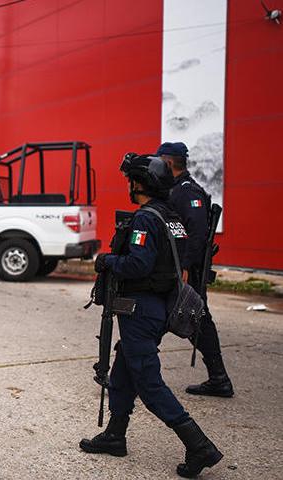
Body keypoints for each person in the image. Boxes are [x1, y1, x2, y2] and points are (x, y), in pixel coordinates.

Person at [79, 154, 223, 478]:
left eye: (131, 180)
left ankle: (198, 444)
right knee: (123, 369)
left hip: (140, 309)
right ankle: (115, 435)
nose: (129, 185)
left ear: (139, 183)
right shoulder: (170, 217)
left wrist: (107, 261)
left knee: (149, 382)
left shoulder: (145, 219)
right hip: (158, 306)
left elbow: (138, 265)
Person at [156, 142, 233, 398]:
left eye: (159, 162)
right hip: (177, 268)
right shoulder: (174, 190)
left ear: (168, 163)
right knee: (187, 319)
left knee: (190, 318)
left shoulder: (188, 192)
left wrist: (186, 266)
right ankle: (219, 378)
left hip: (187, 270)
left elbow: (197, 235)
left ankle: (219, 379)